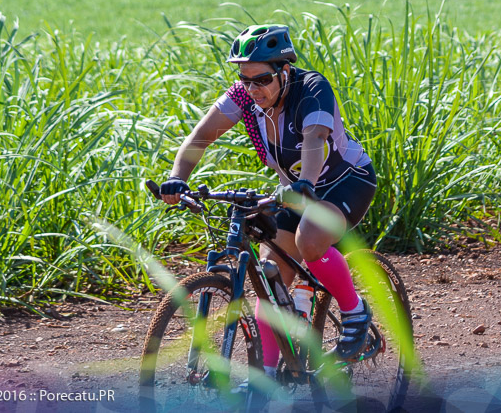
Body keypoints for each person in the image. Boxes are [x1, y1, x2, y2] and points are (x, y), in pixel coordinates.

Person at [158, 24, 377, 378]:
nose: (252, 89)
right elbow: (201, 137)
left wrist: (306, 180)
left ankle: (355, 313)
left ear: (284, 71)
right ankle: (269, 374)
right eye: (245, 79)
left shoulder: (311, 89)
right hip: (297, 189)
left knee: (309, 238)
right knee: (269, 276)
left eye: (261, 79)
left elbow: (314, 140)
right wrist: (177, 178)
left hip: (344, 181)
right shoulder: (244, 96)